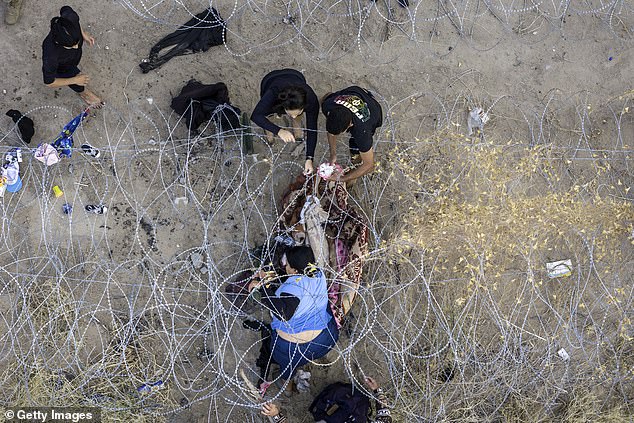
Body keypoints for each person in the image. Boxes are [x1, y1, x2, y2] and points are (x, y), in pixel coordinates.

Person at [248, 246, 339, 387]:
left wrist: (261, 289)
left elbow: (284, 313)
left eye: (287, 264)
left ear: (295, 270)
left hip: (292, 348)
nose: (285, 266)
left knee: (287, 367)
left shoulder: (293, 290)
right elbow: (298, 289)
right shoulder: (316, 273)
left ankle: (287, 384)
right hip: (326, 338)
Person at [251, 69, 320, 175]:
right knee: (267, 115)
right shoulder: (273, 94)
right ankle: (269, 131)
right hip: (270, 81)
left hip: (296, 76)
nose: (293, 115)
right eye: (290, 113)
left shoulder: (311, 100)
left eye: (298, 112)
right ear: (284, 107)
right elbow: (256, 115)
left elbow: (312, 129)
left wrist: (309, 158)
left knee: (296, 116)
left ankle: (296, 124)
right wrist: (279, 131)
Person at [42, 6, 102, 107]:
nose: (76, 46)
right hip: (63, 66)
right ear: (58, 43)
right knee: (73, 77)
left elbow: (65, 8)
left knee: (75, 59)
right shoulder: (50, 56)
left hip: (73, 58)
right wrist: (75, 80)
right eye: (71, 46)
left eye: (77, 42)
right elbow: (49, 82)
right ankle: (84, 93)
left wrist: (83, 34)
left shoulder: (70, 19)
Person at [260, 376, 392, 422]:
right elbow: (384, 416)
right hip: (356, 417)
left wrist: (276, 415)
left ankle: (322, 416)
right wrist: (376, 390)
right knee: (355, 398)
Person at [321, 87, 383, 182]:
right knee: (326, 98)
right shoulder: (329, 105)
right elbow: (331, 132)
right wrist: (333, 154)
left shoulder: (362, 132)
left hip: (373, 111)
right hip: (355, 92)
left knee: (355, 148)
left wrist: (342, 179)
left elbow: (369, 164)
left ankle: (356, 164)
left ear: (350, 125)